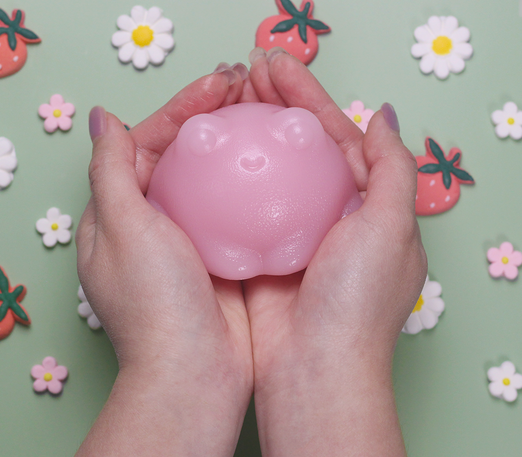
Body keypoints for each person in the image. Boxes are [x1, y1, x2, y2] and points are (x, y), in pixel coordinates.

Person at [75, 46, 427, 456]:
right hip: (213, 238)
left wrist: (175, 366)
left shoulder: (309, 146)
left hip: (304, 226)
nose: (254, 163)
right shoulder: (192, 155)